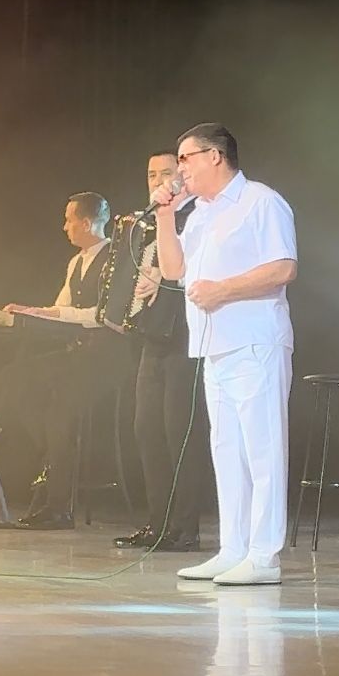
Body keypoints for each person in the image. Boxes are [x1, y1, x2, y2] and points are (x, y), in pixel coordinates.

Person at [151, 123, 297, 585]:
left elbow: (284, 267)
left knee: (263, 450)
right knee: (227, 450)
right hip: (214, 347)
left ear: (215, 155)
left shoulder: (260, 201)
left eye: (186, 158)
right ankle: (232, 548)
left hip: (255, 340)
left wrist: (224, 290)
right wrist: (165, 217)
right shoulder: (198, 214)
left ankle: (264, 556)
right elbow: (173, 270)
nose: (179, 170)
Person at [0, 191, 132, 529]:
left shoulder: (116, 259)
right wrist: (30, 311)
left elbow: (102, 315)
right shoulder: (75, 263)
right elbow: (60, 308)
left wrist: (48, 313)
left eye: (69, 220)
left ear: (87, 223)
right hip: (79, 353)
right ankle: (55, 458)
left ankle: (58, 504)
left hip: (107, 358)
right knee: (14, 376)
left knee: (59, 410)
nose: (65, 227)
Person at [114, 151, 214, 553]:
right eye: (151, 174)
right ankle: (157, 523)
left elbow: (200, 271)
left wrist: (165, 278)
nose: (157, 181)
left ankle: (185, 528)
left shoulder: (200, 215)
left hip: (185, 338)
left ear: (183, 177)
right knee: (147, 431)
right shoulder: (150, 223)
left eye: (166, 173)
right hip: (153, 339)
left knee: (180, 434)